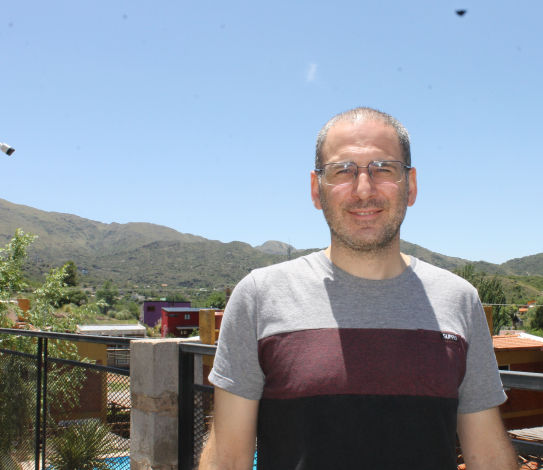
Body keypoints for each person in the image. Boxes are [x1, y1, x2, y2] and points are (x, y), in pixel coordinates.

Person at [200, 107, 518, 470]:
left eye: (383, 168)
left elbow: (488, 457)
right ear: (316, 190)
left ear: (411, 185)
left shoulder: (459, 300)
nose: (363, 189)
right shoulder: (259, 297)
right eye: (342, 170)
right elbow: (228, 460)